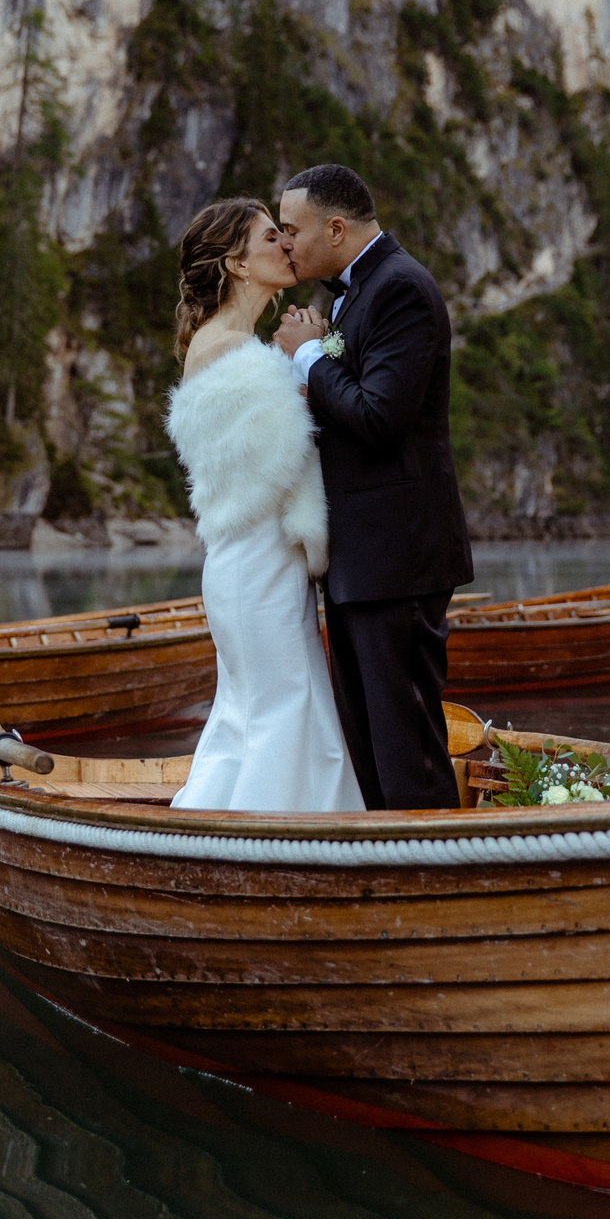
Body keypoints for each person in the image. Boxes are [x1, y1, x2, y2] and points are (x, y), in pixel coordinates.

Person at [272, 164, 472, 810]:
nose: (286, 243)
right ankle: (387, 863)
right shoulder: (350, 293)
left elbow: (381, 417)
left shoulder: (401, 288)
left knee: (406, 750)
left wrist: (308, 355)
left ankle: (432, 865)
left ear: (336, 228)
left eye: (292, 229)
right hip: (362, 558)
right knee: (369, 751)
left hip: (397, 557)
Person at [163, 198, 365, 813]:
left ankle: (227, 828)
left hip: (249, 561)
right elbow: (289, 461)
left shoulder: (229, 345)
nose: (287, 245)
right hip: (257, 564)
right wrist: (309, 360)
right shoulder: (230, 348)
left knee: (250, 711)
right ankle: (268, 837)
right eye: (271, 237)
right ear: (237, 264)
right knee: (283, 705)